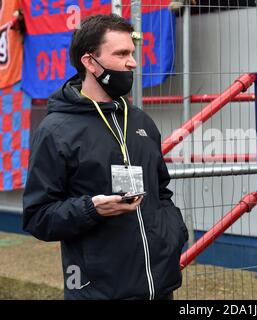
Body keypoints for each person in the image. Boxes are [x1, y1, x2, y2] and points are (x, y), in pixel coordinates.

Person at [22, 14, 188, 300]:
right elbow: (38, 216)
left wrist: (173, 234)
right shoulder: (56, 130)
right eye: (122, 54)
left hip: (160, 288)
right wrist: (90, 209)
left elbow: (161, 192)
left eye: (132, 54)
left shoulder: (141, 122)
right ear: (90, 62)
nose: (132, 63)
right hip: (98, 292)